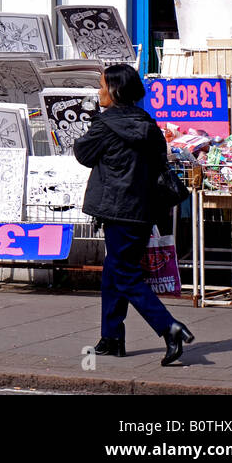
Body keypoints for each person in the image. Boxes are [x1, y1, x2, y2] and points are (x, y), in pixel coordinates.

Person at [74, 63, 194, 366]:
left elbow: (82, 154)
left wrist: (92, 125)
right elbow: (157, 165)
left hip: (117, 209)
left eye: (102, 86)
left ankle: (169, 328)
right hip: (142, 210)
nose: (99, 92)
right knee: (114, 273)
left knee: (124, 274)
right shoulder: (149, 125)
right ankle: (111, 337)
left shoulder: (105, 124)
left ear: (115, 90)